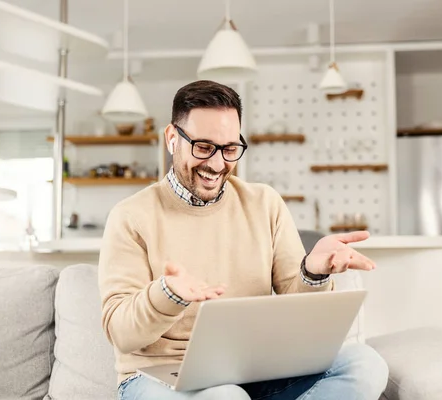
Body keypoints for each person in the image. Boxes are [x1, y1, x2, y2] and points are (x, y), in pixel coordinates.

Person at [98, 80, 389, 400]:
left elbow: (296, 306)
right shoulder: (130, 216)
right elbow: (120, 332)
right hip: (161, 374)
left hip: (254, 367)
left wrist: (313, 271)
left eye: (230, 148)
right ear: (172, 139)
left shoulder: (265, 202)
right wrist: (166, 295)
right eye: (203, 147)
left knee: (366, 364)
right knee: (225, 396)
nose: (217, 163)